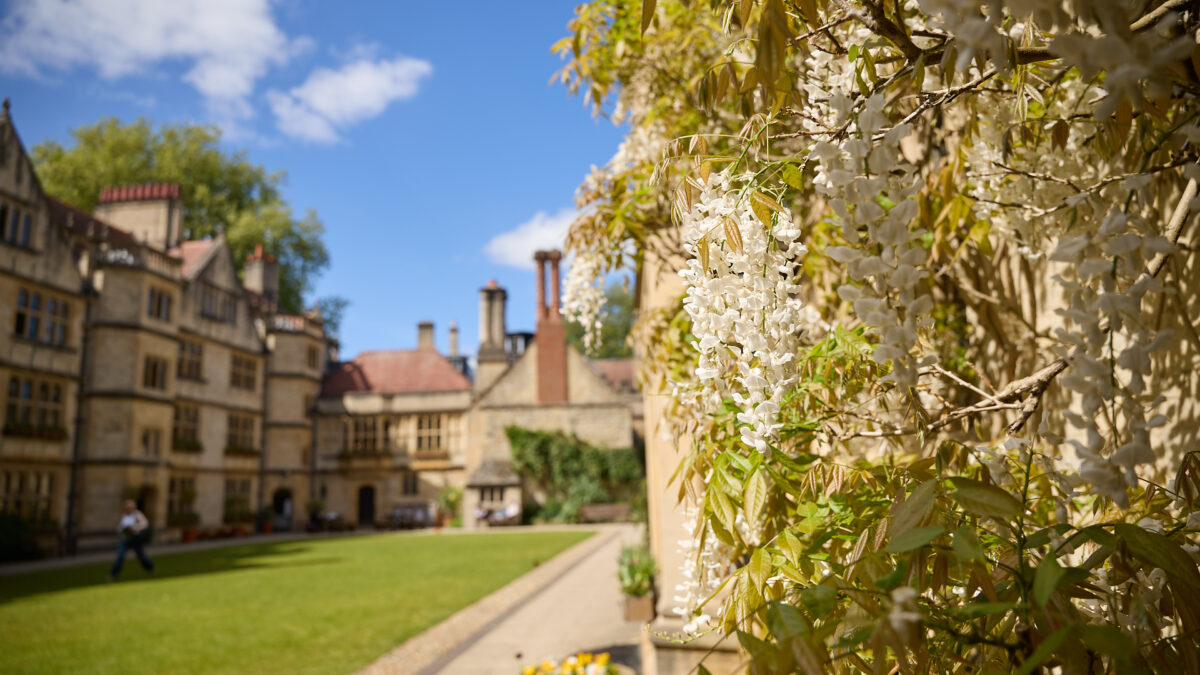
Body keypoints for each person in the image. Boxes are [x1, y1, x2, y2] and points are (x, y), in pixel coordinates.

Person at [108, 499, 154, 581]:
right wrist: (120, 529)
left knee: (141, 556)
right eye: (127, 508)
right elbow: (121, 526)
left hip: (135, 539)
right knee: (120, 556)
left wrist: (134, 527)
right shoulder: (124, 515)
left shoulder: (137, 514)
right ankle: (113, 575)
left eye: (130, 508)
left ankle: (150, 568)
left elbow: (145, 524)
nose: (128, 509)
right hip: (126, 539)